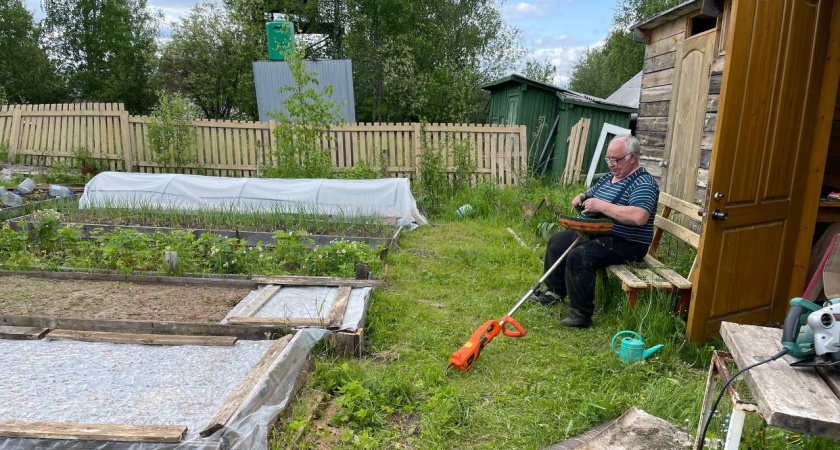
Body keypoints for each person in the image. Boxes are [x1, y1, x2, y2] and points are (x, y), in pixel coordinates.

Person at [532, 135, 659, 328]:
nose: (611, 164)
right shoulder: (610, 178)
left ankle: (581, 314)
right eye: (608, 159)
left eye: (616, 160)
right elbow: (590, 194)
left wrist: (601, 205)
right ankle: (554, 293)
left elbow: (638, 216)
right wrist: (581, 198)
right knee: (557, 241)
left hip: (627, 242)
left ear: (632, 158)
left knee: (580, 255)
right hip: (599, 233)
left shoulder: (644, 183)